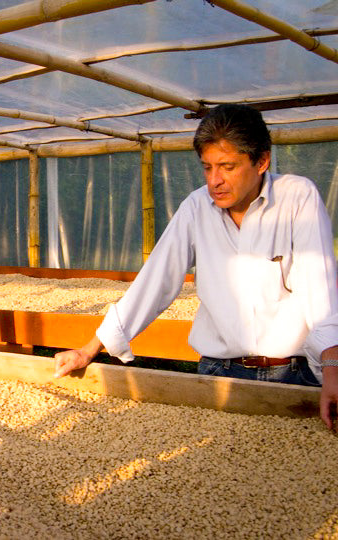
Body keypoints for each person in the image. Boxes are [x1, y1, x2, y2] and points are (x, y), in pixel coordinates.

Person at [54, 104, 338, 430]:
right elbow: (156, 279)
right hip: (217, 373)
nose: (214, 181)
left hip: (292, 375)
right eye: (207, 167)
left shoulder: (297, 199)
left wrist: (332, 371)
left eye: (227, 167)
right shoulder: (196, 207)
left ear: (261, 161)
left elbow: (320, 289)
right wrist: (90, 349)